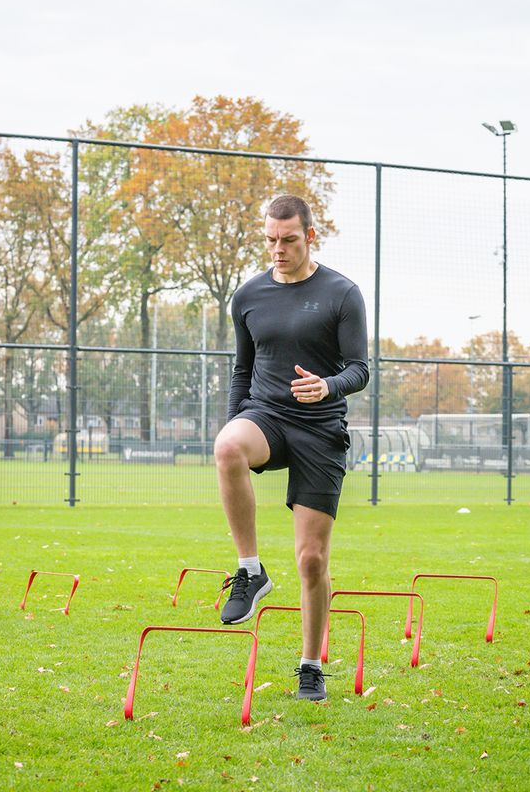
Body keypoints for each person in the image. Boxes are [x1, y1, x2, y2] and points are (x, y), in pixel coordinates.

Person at [214, 194, 369, 702]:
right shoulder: (248, 295)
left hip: (321, 428)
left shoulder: (342, 293)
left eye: (289, 240)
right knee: (228, 446)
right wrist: (238, 417)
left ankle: (310, 665)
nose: (278, 249)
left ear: (310, 236)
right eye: (270, 240)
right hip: (268, 415)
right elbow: (242, 369)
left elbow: (360, 370)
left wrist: (328, 386)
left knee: (311, 560)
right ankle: (250, 571)